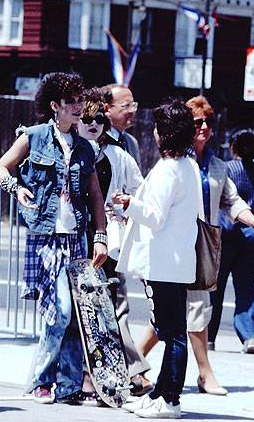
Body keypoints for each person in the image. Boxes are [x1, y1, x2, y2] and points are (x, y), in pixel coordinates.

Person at [136, 97, 254, 395]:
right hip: (171, 246)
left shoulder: (218, 166)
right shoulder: (174, 163)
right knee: (171, 314)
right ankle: (149, 368)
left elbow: (232, 201)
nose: (205, 128)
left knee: (191, 310)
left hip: (201, 247)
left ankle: (165, 370)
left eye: (209, 122)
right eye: (198, 122)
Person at [0, 72, 108, 405]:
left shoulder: (86, 147)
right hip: (46, 237)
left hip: (76, 239)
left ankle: (68, 385)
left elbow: (96, 195)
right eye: (70, 102)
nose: (77, 108)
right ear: (55, 105)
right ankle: (41, 378)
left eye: (79, 101)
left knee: (76, 316)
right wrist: (17, 189)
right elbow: (0, 168)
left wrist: (100, 236)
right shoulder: (35, 137)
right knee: (60, 312)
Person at [112, 98, 200, 419]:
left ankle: (169, 400)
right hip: (178, 260)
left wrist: (127, 203)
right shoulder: (189, 165)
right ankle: (163, 394)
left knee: (172, 332)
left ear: (163, 133)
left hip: (163, 262)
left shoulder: (167, 169)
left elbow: (154, 216)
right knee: (173, 330)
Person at [76, 88, 147, 402]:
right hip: (80, 236)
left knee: (113, 303)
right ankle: (95, 374)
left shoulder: (122, 150)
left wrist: (125, 206)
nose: (93, 125)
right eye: (86, 119)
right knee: (87, 308)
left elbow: (138, 189)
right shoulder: (77, 150)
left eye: (98, 120)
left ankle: (125, 372)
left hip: (111, 237)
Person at [100, 83, 152, 395]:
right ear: (106, 109)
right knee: (114, 304)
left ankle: (123, 372)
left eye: (134, 105)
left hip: (122, 234)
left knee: (116, 302)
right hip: (98, 234)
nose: (132, 111)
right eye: (125, 106)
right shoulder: (93, 139)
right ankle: (135, 371)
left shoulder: (130, 142)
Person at [207, 129, 254, 355]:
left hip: (225, 235)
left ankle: (209, 338)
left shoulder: (224, 169)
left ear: (233, 146)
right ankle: (249, 335)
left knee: (216, 288)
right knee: (246, 288)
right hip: (251, 236)